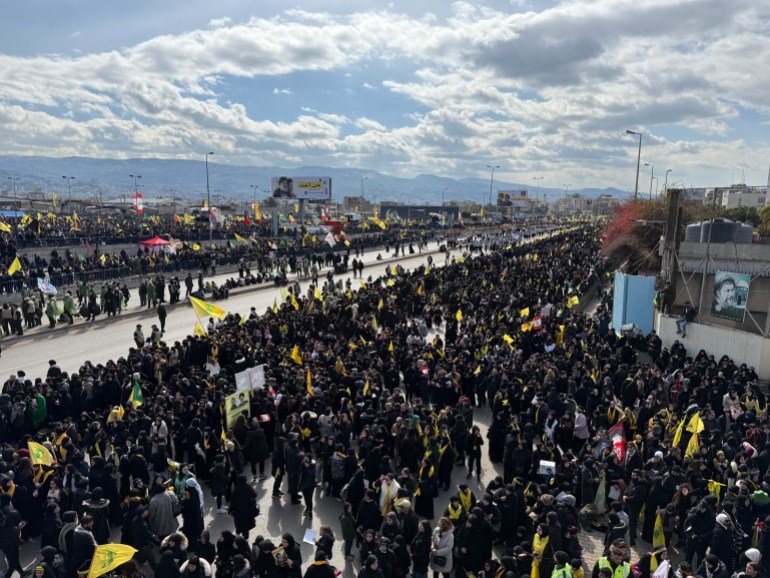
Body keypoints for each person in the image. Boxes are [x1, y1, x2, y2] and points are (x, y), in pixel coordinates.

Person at [229, 474, 259, 539]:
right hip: (248, 510)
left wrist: (230, 510)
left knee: (238, 524)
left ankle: (237, 535)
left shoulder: (236, 490)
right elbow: (254, 495)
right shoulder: (248, 487)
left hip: (238, 512)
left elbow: (232, 502)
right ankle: (246, 538)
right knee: (246, 526)